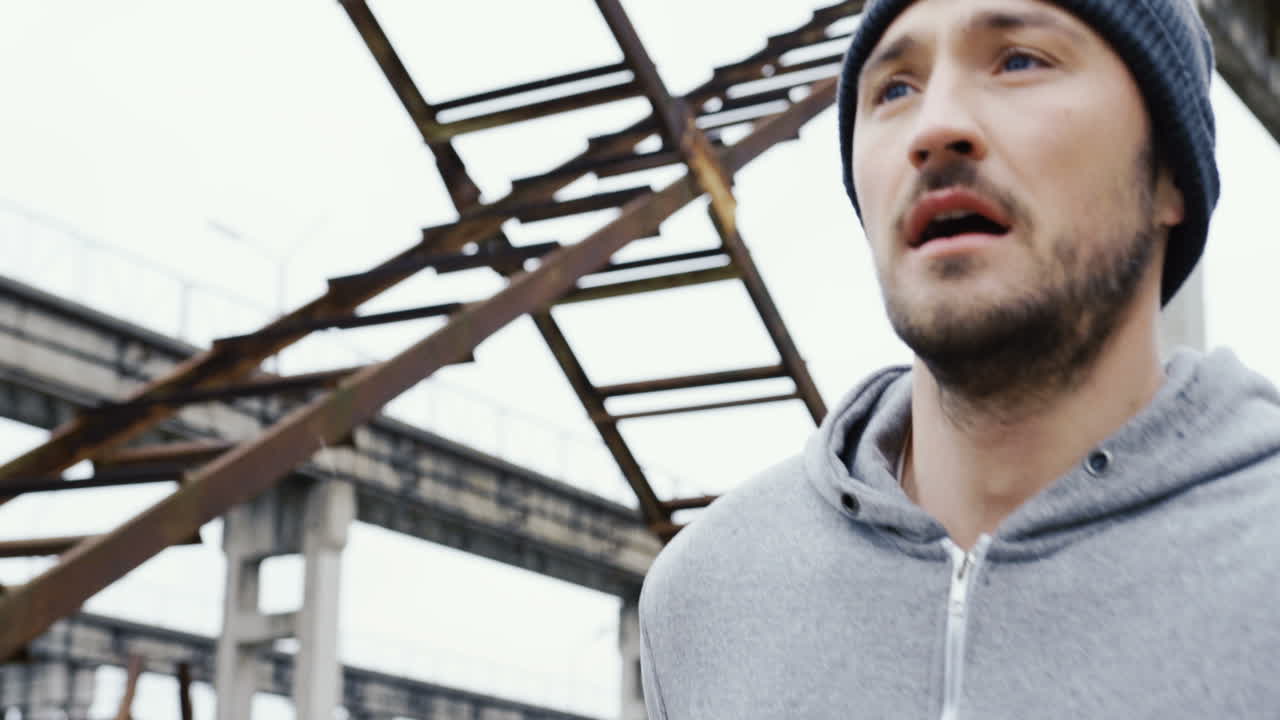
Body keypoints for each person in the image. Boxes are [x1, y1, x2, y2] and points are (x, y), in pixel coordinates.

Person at [638, 0, 1280, 717]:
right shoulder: (706, 597)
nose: (934, 126)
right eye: (894, 90)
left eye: (1020, 61)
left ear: (1169, 175)